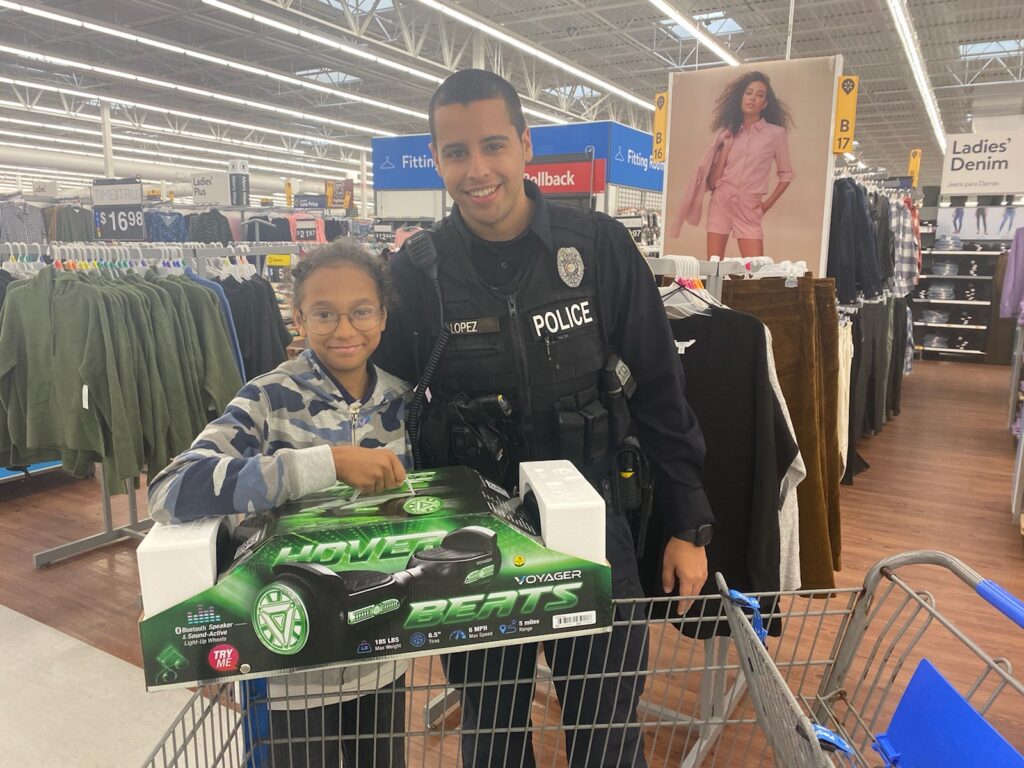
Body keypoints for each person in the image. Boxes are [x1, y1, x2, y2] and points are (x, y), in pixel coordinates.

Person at [374, 69, 714, 768]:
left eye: (493, 145)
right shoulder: (416, 271)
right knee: (494, 738)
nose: (478, 170)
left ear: (526, 146)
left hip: (596, 531)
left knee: (606, 733)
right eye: (456, 152)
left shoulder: (597, 248)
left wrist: (689, 522)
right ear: (437, 160)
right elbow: (381, 402)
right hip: (473, 541)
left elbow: (658, 388)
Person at [148, 240, 410, 768]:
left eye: (361, 311)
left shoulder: (406, 400)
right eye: (324, 313)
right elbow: (171, 488)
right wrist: (324, 463)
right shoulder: (267, 398)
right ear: (298, 316)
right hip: (288, 652)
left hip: (383, 650)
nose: (344, 330)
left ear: (382, 315)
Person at [669, 70, 794, 259]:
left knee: (756, 271)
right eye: (748, 93)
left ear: (765, 104)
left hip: (749, 206)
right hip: (721, 202)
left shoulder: (775, 134)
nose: (752, 98)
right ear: (741, 97)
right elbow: (712, 183)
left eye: (759, 95)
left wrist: (766, 205)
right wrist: (725, 150)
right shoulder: (727, 133)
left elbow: (786, 175)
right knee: (714, 268)